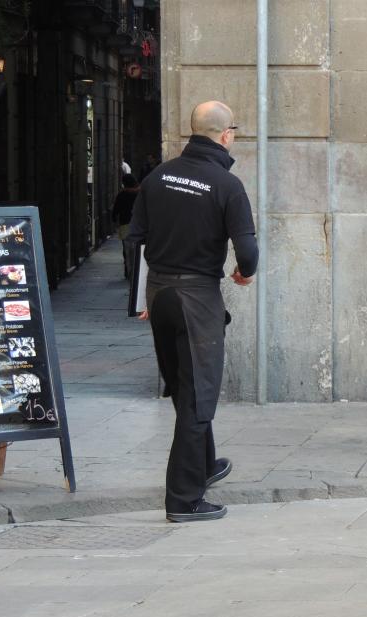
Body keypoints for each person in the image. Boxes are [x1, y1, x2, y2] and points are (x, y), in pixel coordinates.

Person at [127, 101, 258, 523]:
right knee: (200, 394)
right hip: (197, 297)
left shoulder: (156, 177)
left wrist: (141, 300)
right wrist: (243, 273)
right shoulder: (226, 184)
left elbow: (136, 240)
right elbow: (249, 251)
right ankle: (183, 499)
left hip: (160, 292)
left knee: (185, 385)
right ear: (225, 135)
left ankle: (205, 464)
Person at [110, 173, 140, 278]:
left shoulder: (122, 194)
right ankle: (137, 270)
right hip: (137, 225)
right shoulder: (139, 194)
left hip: (124, 224)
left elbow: (116, 209)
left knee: (126, 249)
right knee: (136, 248)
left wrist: (114, 219)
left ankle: (128, 270)